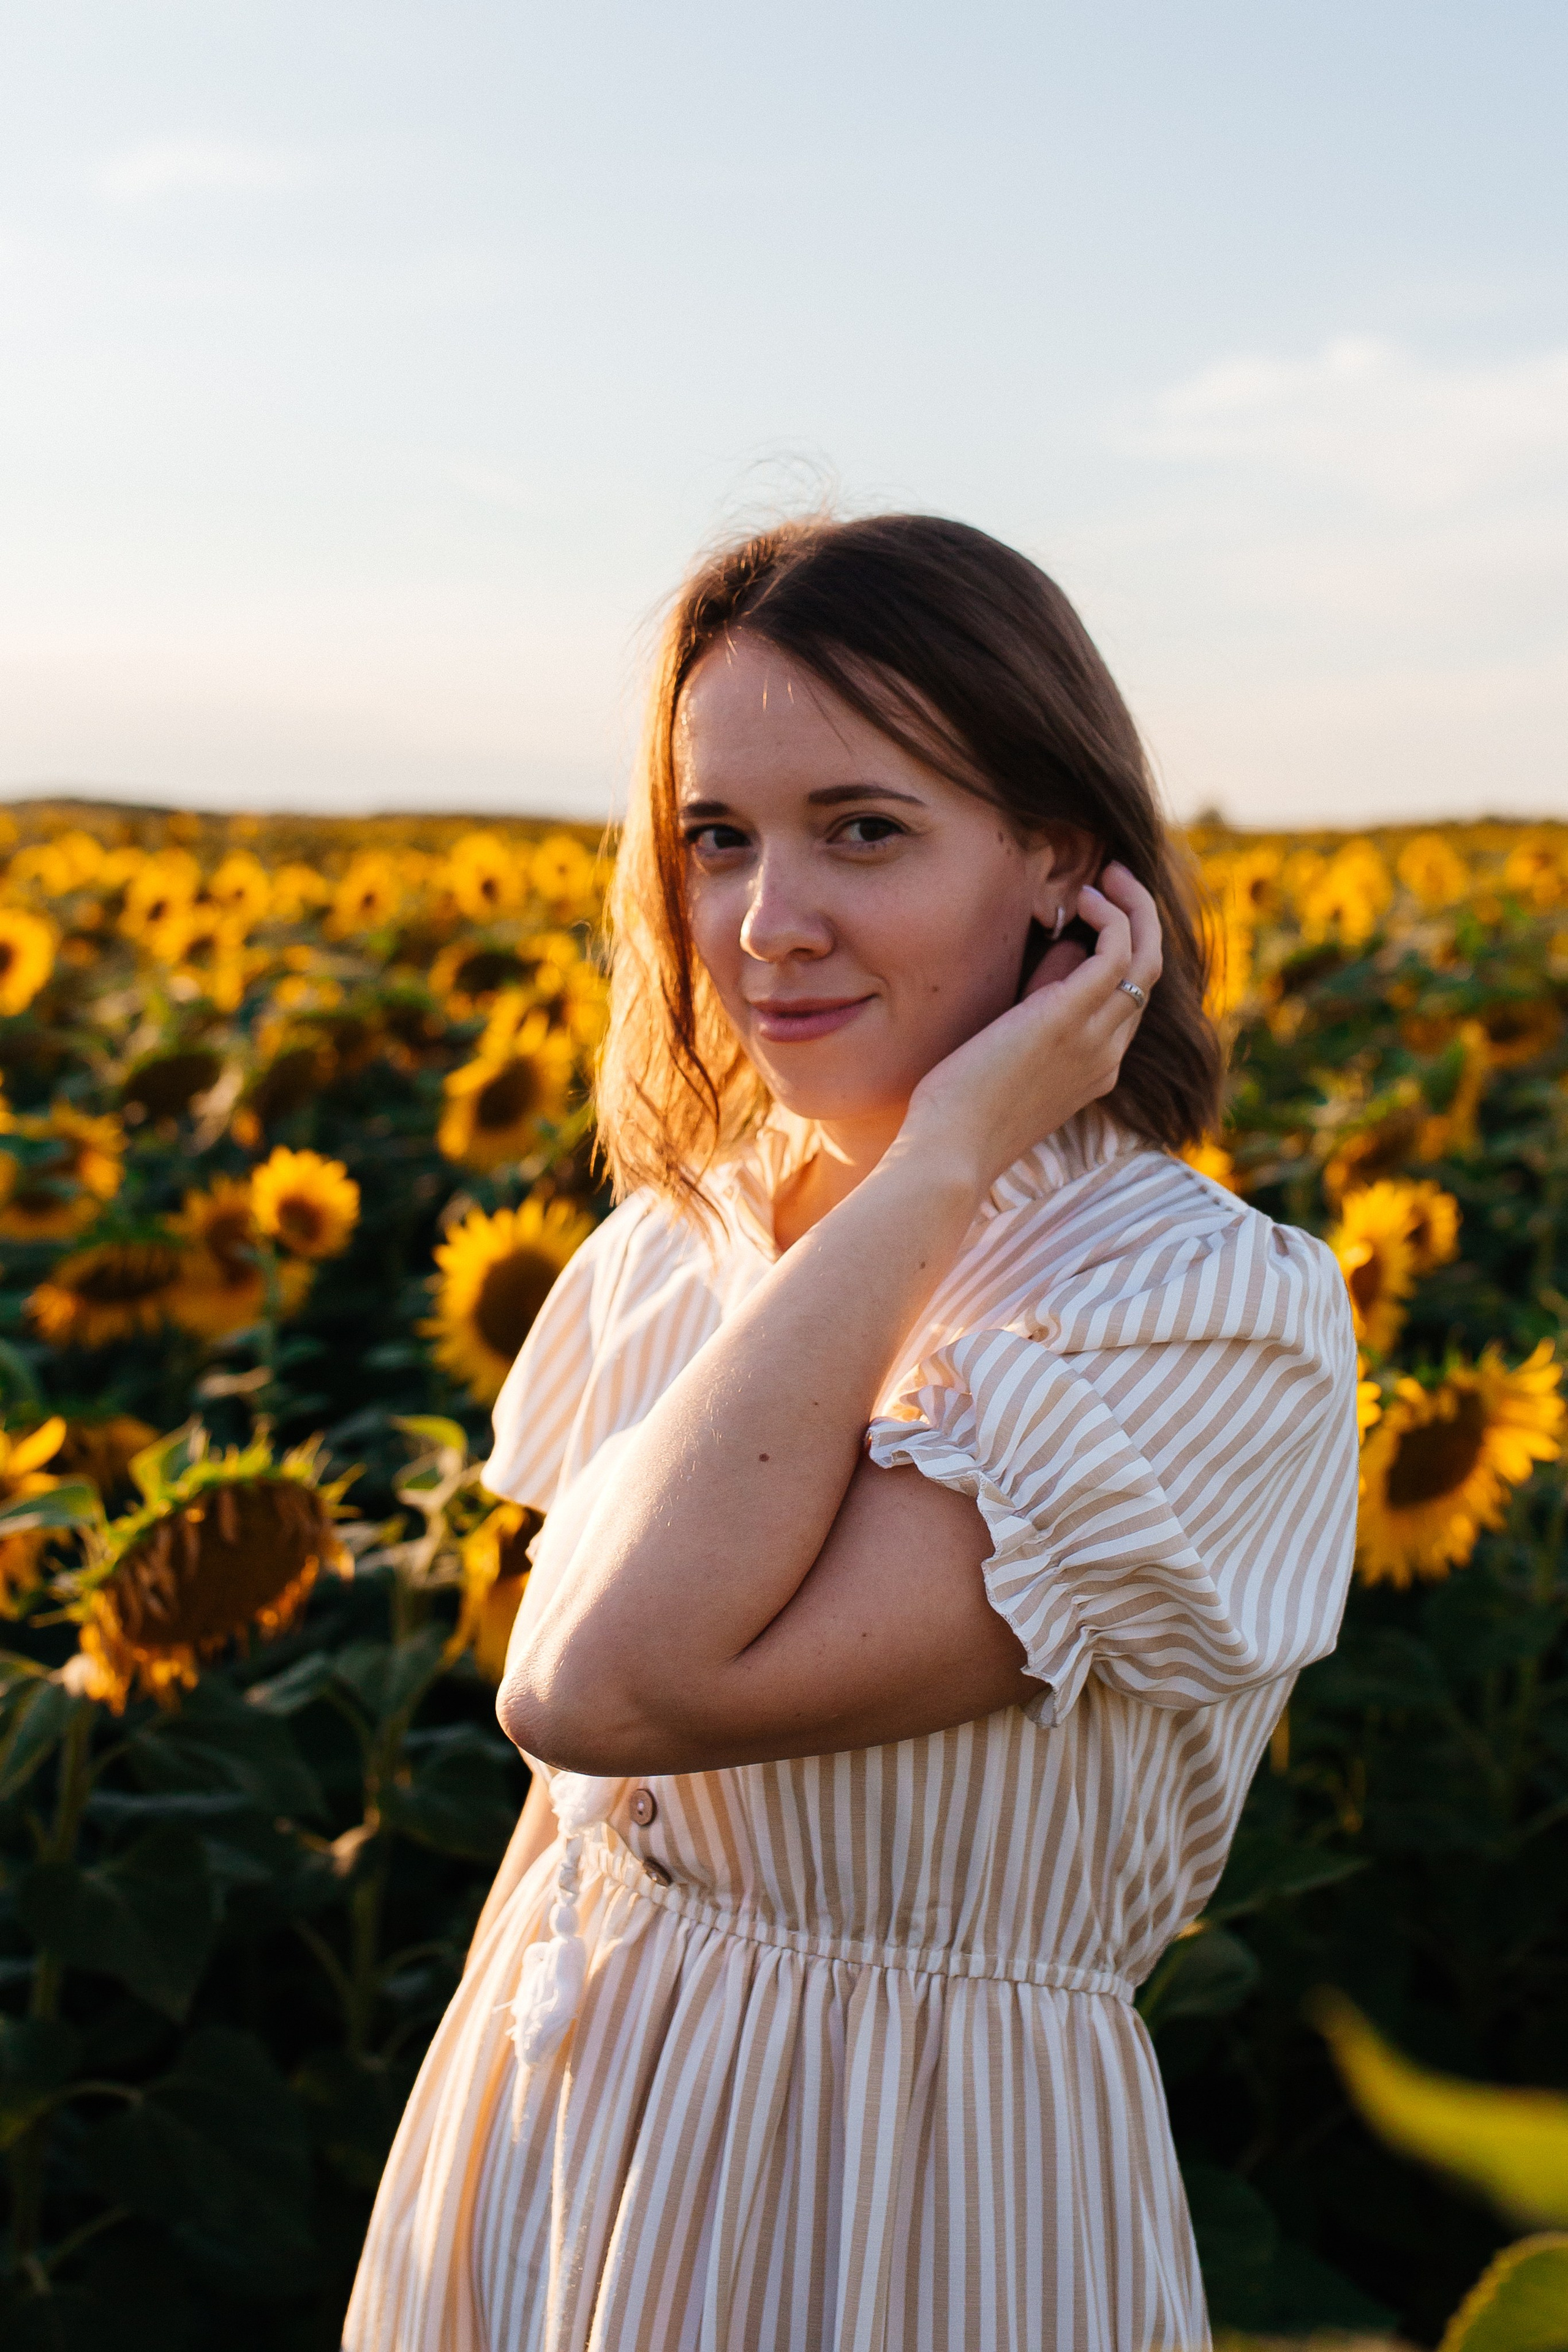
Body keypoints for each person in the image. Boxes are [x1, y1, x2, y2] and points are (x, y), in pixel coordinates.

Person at [345, 514, 1359, 2352]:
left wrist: (952, 1154)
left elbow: (603, 1685)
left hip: (902, 2203)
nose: (763, 923)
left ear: (1062, 856)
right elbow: (581, 1821)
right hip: (548, 2151)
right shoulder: (680, 1243)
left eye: (863, 830)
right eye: (716, 835)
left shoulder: (1199, 1316)